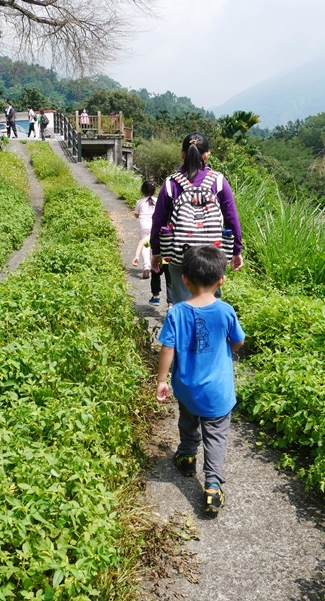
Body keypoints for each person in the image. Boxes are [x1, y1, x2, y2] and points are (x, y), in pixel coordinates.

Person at [156, 245, 245, 514]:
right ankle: (212, 488)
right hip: (218, 392)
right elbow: (238, 341)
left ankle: (186, 456)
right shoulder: (225, 310)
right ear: (221, 280)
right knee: (216, 436)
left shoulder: (176, 312)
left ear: (184, 279)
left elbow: (167, 348)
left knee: (187, 420)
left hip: (187, 386)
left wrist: (162, 380)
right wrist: (226, 350)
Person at [150, 133, 243, 305]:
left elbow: (158, 221)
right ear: (207, 154)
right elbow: (232, 219)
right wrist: (236, 251)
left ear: (182, 154)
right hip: (213, 254)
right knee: (212, 302)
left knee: (181, 303)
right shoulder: (218, 181)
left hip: (180, 254)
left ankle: (184, 329)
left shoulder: (171, 183)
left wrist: (156, 252)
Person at [132, 234, 172, 308]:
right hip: (169, 261)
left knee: (155, 275)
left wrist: (137, 256)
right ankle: (170, 304)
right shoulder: (171, 233)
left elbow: (141, 242)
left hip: (156, 261)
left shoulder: (155, 234)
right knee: (170, 282)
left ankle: (155, 297)